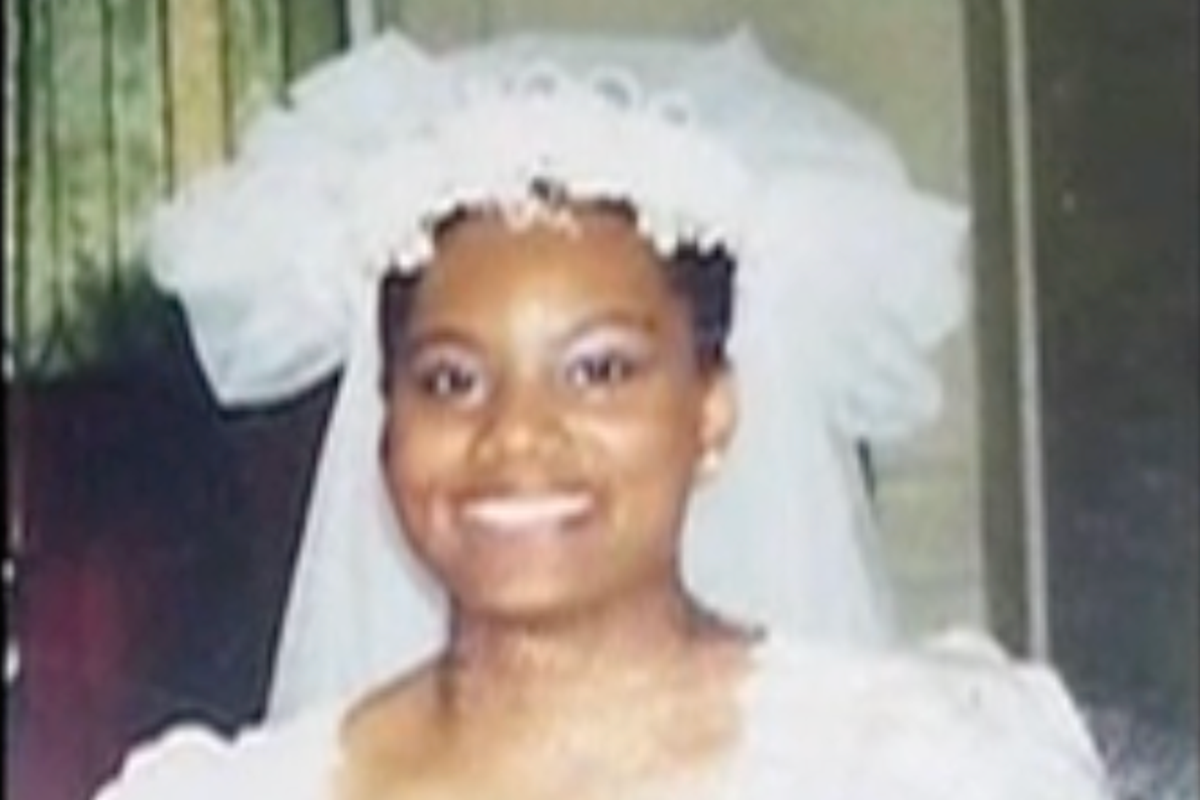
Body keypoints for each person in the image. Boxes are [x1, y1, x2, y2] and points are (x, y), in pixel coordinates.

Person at [94, 30, 1112, 799]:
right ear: (385, 420)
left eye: (600, 370)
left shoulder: (915, 762)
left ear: (713, 409)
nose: (516, 435)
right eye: (451, 379)